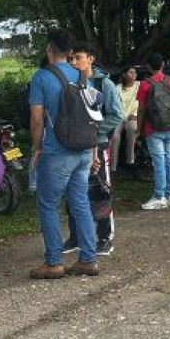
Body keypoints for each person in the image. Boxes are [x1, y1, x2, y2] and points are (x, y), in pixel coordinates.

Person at [28, 29, 100, 278]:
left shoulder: (41, 77)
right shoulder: (82, 76)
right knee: (80, 202)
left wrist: (37, 147)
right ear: (70, 52)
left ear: (49, 48)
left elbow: (37, 119)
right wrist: (93, 151)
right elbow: (91, 116)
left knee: (48, 204)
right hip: (82, 149)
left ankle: (54, 262)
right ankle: (88, 259)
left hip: (57, 151)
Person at [63, 43, 123, 256]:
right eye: (71, 58)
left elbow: (116, 114)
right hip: (74, 145)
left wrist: (95, 131)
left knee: (100, 191)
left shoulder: (103, 84)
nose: (74, 62)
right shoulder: (69, 82)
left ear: (91, 58)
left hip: (97, 144)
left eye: (78, 57)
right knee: (74, 191)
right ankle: (76, 236)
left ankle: (105, 238)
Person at [137, 52, 170, 209]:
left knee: (159, 162)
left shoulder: (145, 84)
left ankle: (159, 195)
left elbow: (141, 110)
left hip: (153, 128)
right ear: (163, 65)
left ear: (148, 66)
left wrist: (138, 129)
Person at [111, 65, 140, 171]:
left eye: (135, 73)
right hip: (119, 117)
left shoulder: (139, 86)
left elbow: (142, 103)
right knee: (115, 137)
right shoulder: (117, 88)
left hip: (133, 117)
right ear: (124, 74)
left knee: (132, 128)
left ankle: (130, 160)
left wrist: (137, 115)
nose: (134, 75)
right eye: (131, 72)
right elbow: (113, 105)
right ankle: (112, 167)